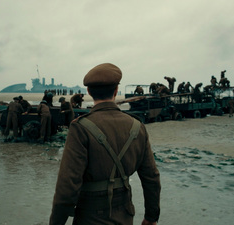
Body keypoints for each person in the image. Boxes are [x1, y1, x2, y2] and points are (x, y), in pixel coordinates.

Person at [49, 63, 161, 225]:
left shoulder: (80, 128)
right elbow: (152, 178)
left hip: (89, 217)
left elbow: (67, 188)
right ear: (116, 91)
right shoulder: (137, 127)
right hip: (125, 216)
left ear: (88, 92)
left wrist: (56, 223)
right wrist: (151, 218)